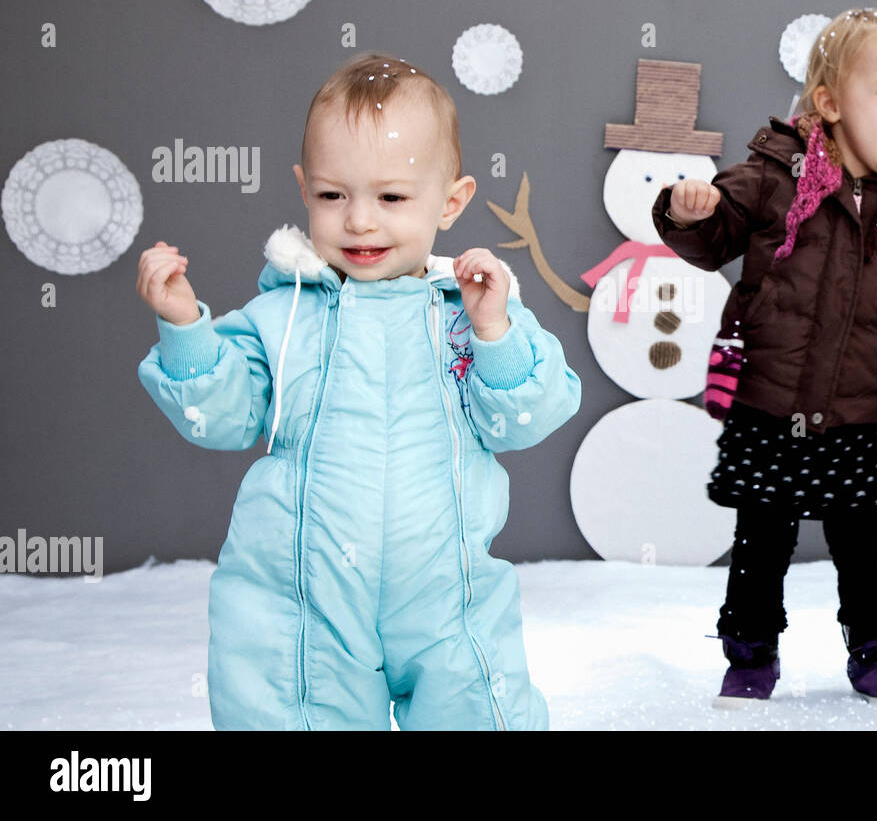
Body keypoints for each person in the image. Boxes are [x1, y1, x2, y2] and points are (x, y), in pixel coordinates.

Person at [136, 52, 581, 729]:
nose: (360, 221)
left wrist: (496, 333)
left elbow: (527, 417)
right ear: (304, 190)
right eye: (332, 195)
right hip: (306, 593)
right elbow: (222, 418)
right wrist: (184, 328)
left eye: (392, 198)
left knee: (477, 707)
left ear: (452, 201)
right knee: (294, 708)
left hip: (443, 592)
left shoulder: (465, 315)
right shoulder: (281, 318)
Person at [650, 8, 877, 706]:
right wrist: (690, 212)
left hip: (859, 409)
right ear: (830, 104)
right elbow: (718, 231)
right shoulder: (774, 177)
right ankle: (750, 654)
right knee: (762, 540)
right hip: (769, 401)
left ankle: (876, 651)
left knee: (861, 545)